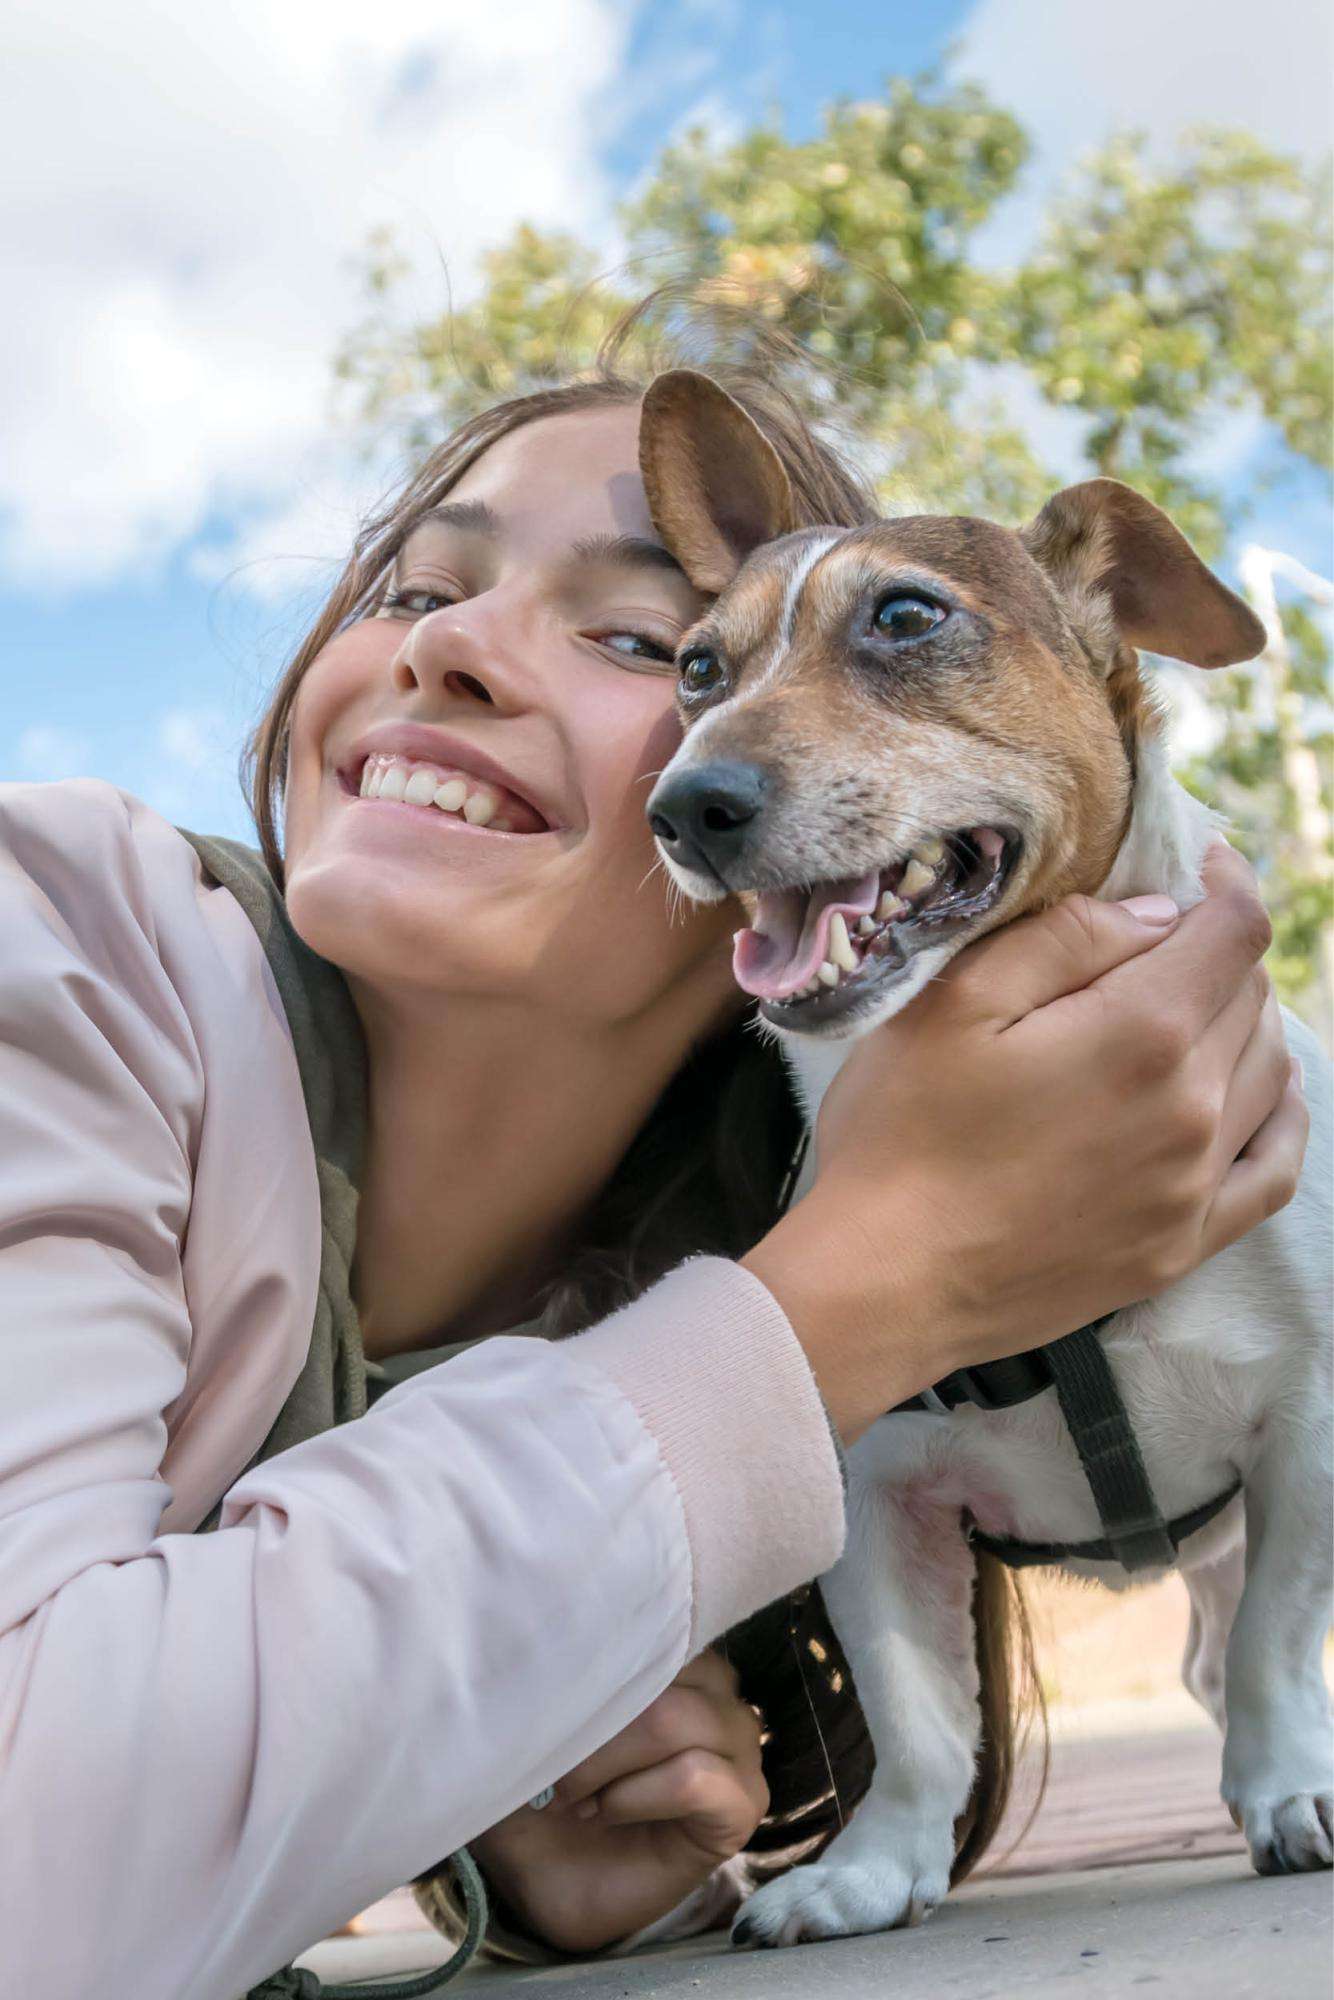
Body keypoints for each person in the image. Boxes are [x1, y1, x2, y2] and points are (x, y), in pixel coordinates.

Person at [0, 323, 1305, 2000]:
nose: (448, 647)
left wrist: (452, 1784)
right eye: (407, 591)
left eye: (633, 630)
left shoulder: (659, 1319)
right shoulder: (60, 944)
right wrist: (858, 1288)